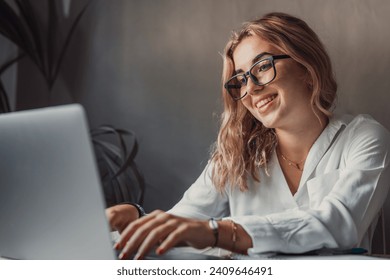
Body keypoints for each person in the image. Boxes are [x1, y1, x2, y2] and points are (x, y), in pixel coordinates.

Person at [106, 12, 390, 260]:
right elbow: (183, 226)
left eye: (263, 66)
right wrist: (135, 221)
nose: (250, 89)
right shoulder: (235, 154)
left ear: (306, 65)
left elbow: (338, 224)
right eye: (240, 79)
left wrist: (220, 233)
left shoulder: (364, 137)